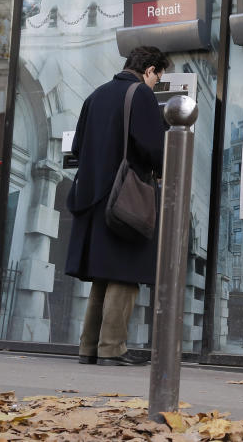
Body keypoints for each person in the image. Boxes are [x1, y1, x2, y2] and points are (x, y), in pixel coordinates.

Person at [65, 46, 170, 366]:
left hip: (95, 197)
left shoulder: (96, 95)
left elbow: (78, 147)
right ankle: (112, 348)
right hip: (125, 198)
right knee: (125, 273)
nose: (156, 84)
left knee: (103, 274)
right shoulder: (140, 94)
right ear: (150, 70)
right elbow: (155, 147)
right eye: (159, 78)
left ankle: (89, 347)